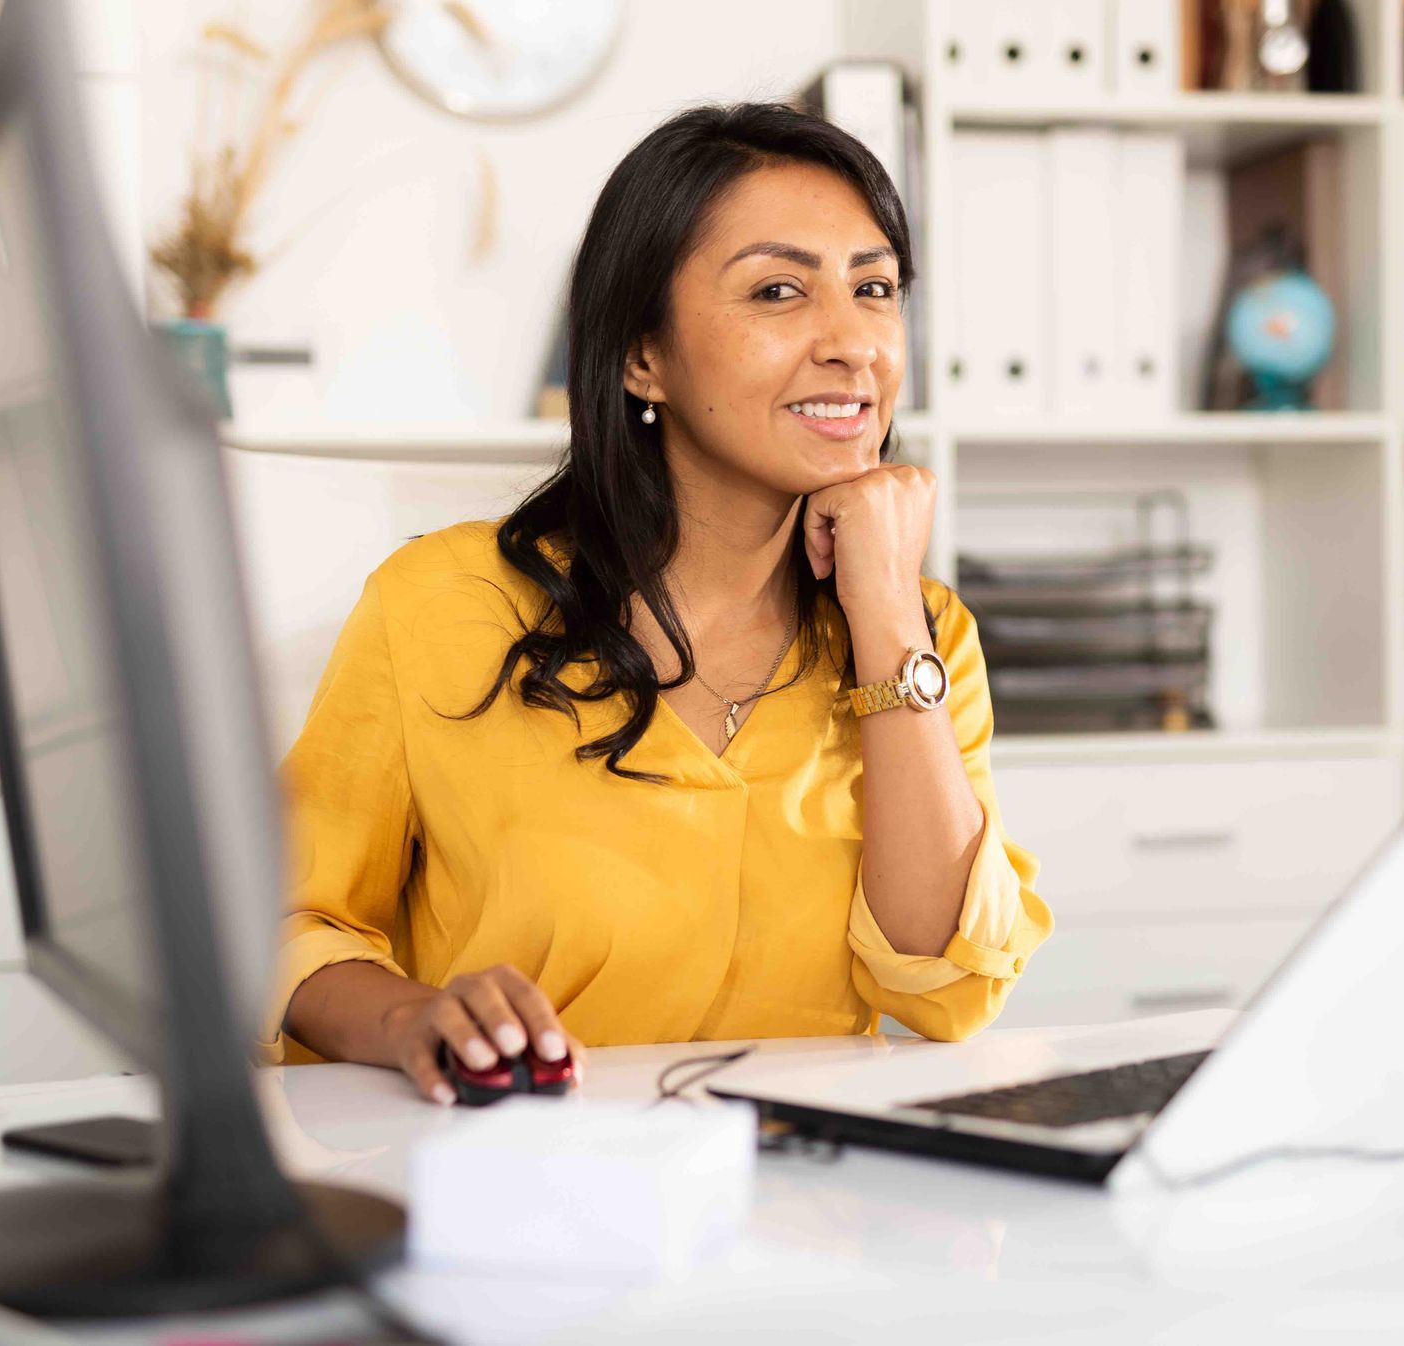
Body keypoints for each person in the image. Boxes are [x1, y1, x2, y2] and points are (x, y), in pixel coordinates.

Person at [257, 102, 1052, 1104]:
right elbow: (289, 923)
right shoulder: (440, 604)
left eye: (875, 287)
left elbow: (947, 983)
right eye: (778, 290)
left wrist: (887, 613)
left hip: (807, 1208)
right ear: (644, 357)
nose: (854, 344)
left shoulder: (922, 639)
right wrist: (416, 1014)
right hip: (522, 1174)